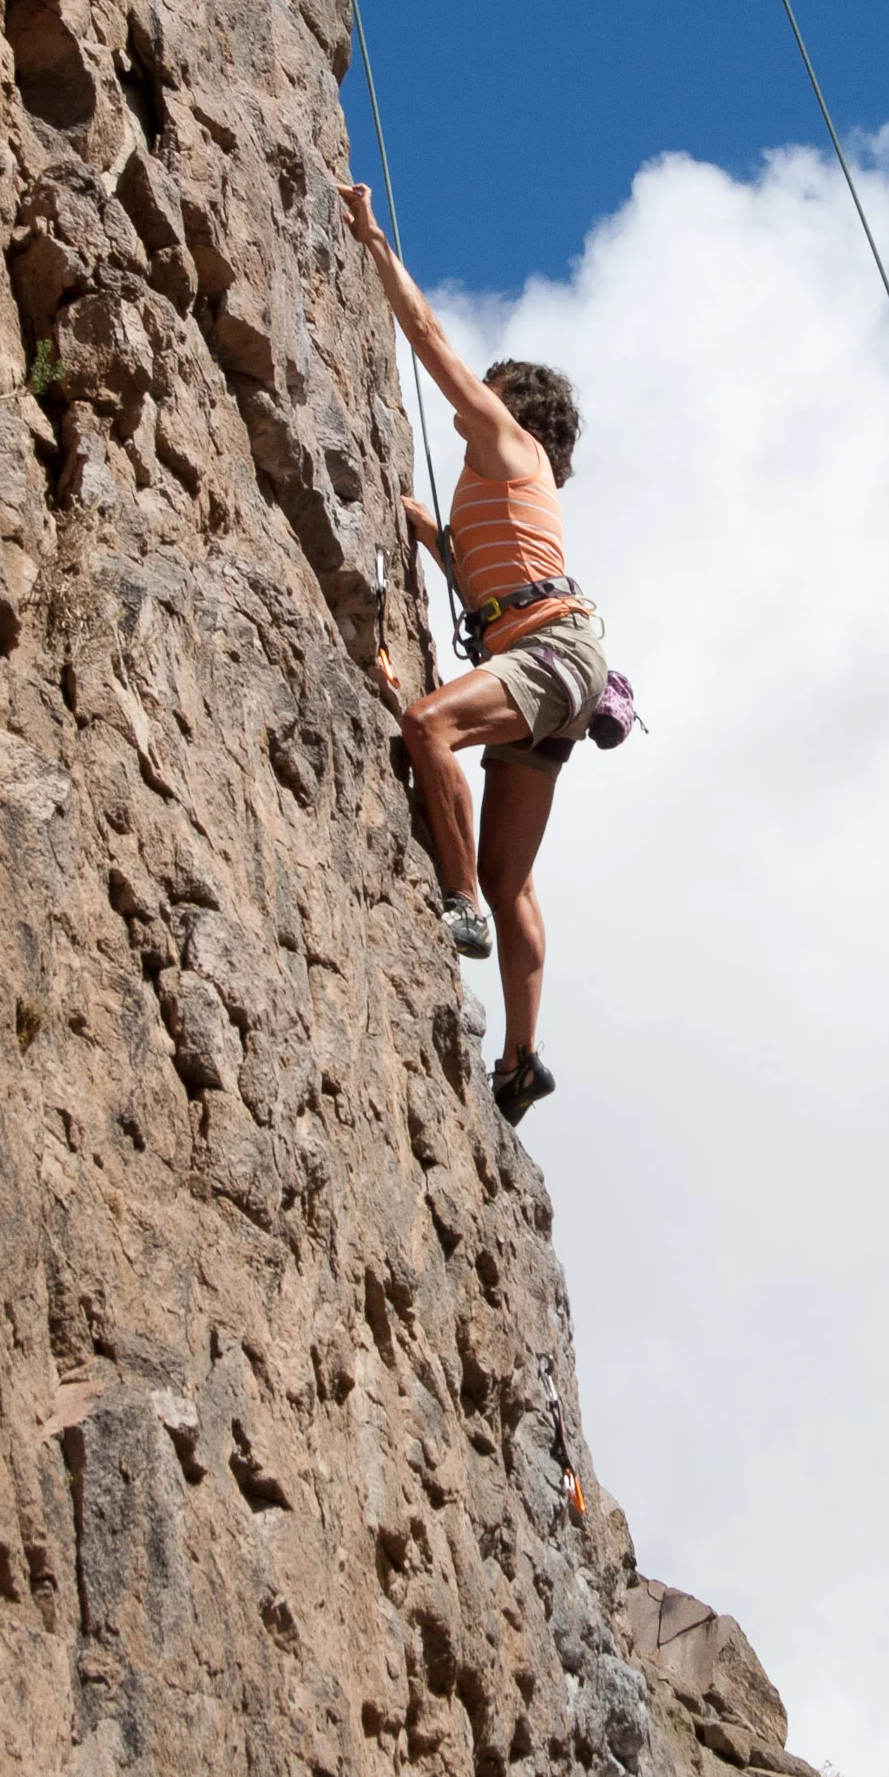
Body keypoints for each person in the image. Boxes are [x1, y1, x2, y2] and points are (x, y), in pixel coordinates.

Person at [341, 181, 608, 1128]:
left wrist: (375, 245)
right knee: (513, 877)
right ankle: (524, 1056)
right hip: (558, 663)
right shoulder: (504, 495)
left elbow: (431, 347)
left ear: (508, 407)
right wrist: (432, 538)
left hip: (551, 654)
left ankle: (454, 905)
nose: (467, 412)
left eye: (484, 399)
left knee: (425, 725)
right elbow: (501, 585)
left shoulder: (506, 442)